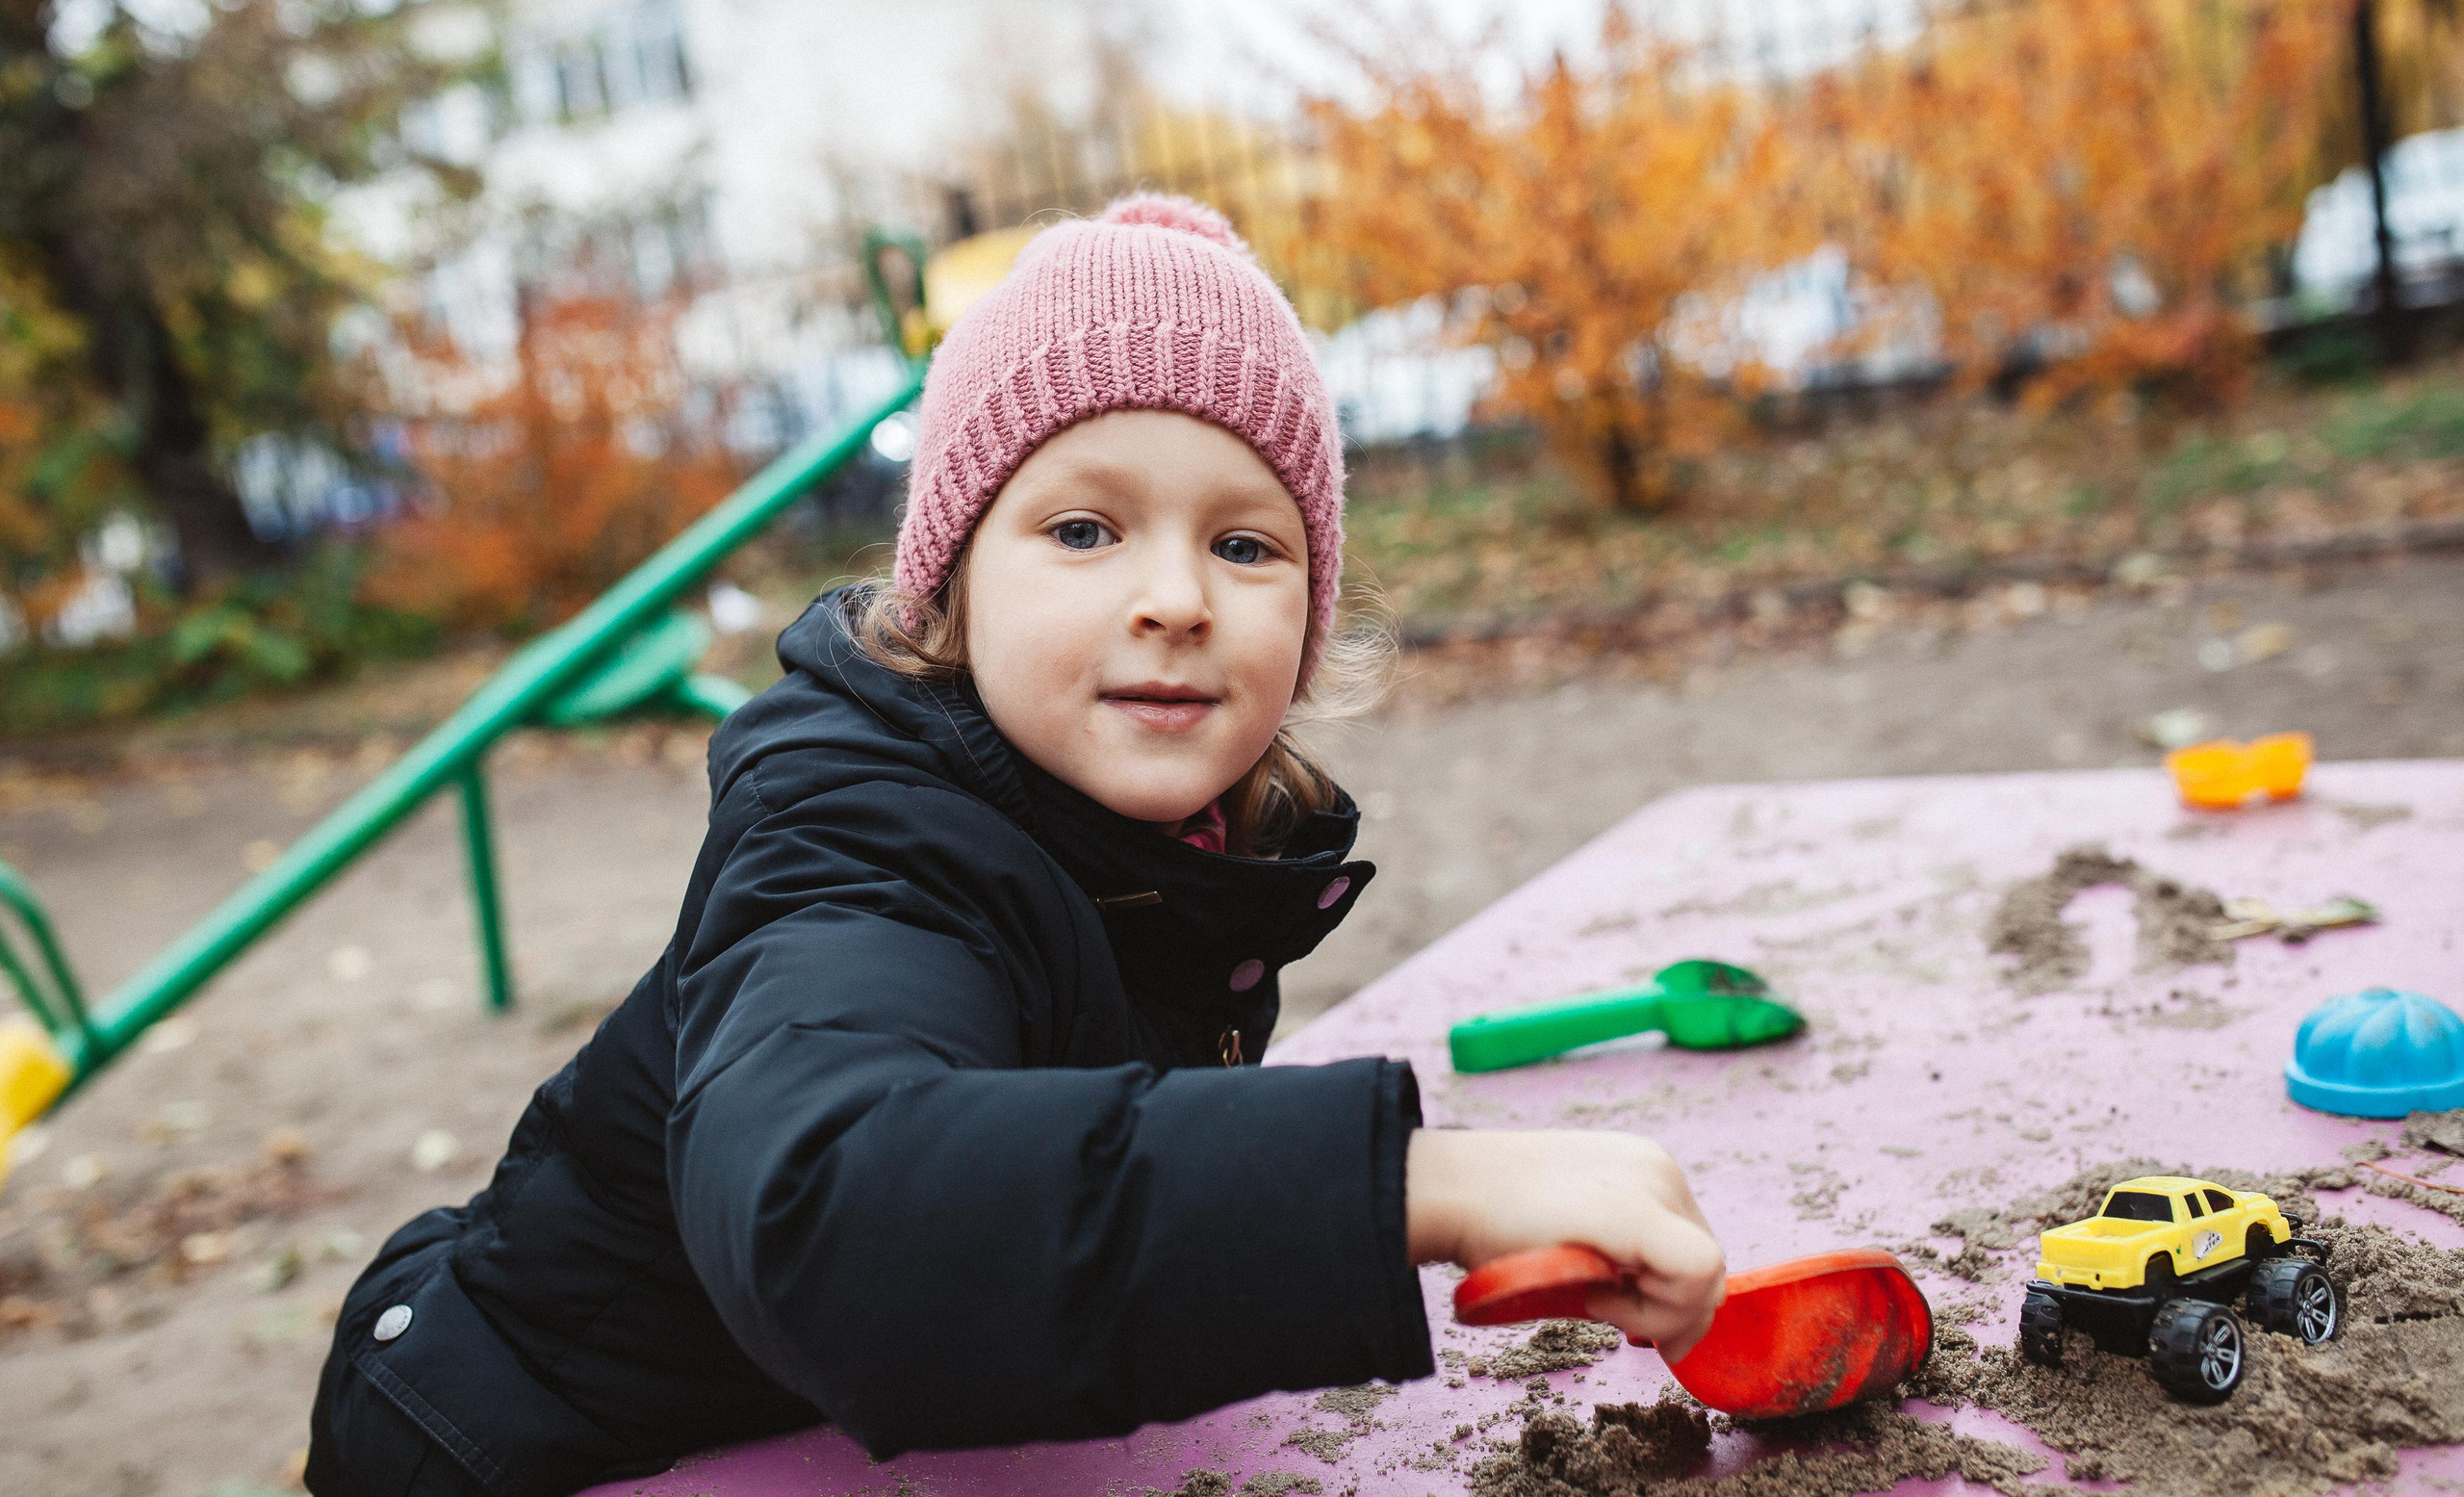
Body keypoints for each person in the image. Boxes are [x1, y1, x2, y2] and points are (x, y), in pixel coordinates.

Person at [304, 195, 1726, 1497]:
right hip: (506, 1437)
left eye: (1247, 545)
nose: (1175, 596)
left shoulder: (1194, 850)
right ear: (948, 590)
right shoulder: (860, 840)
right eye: (1086, 526)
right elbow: (831, 1214)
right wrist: (1420, 1186)